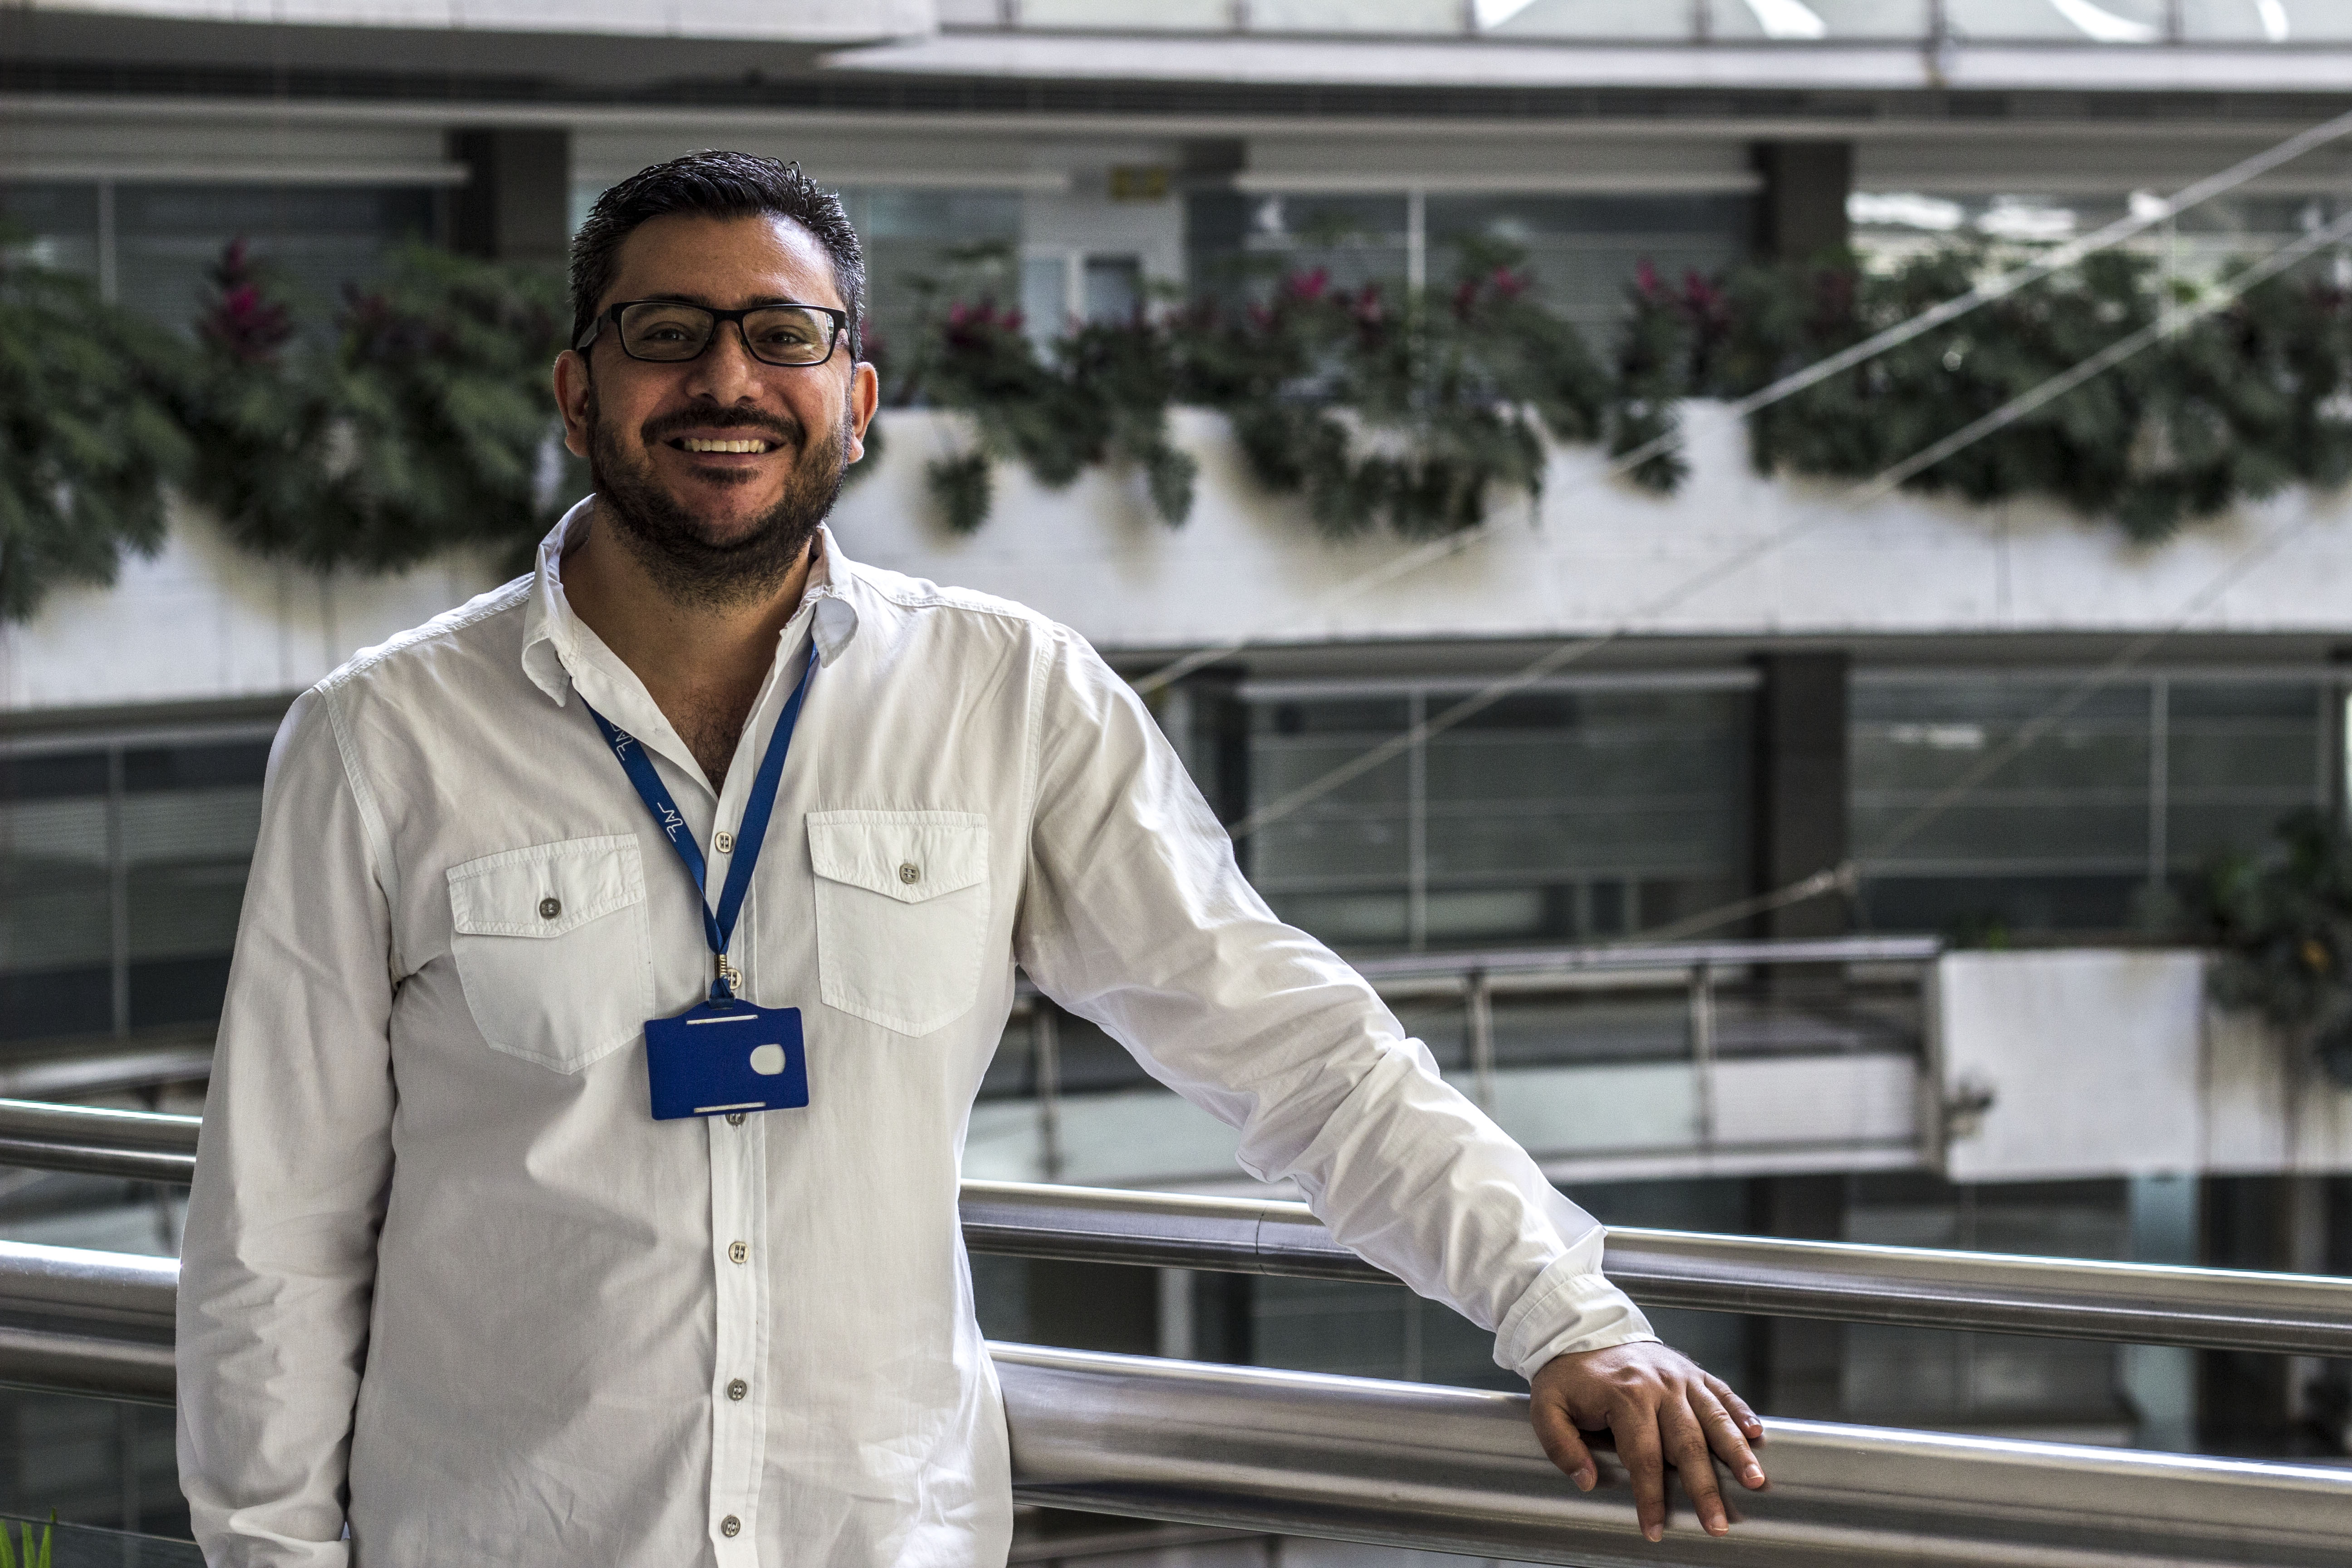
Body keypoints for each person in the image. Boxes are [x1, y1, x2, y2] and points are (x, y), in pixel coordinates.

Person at [176, 151, 1766, 1568]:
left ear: (855, 402)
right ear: (578, 392)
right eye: (665, 334)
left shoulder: (1010, 699)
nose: (725, 378)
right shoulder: (379, 740)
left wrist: (1566, 1312)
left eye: (783, 336)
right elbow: (274, 1235)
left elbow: (1295, 1052)